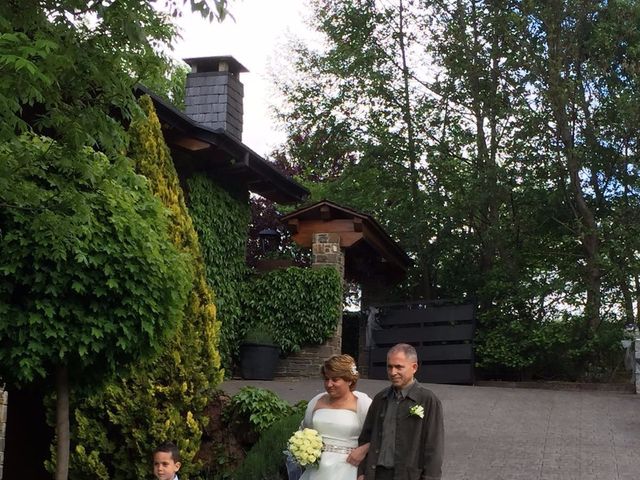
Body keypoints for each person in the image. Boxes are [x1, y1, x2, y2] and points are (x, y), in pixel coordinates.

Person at [358, 344, 444, 480]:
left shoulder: (428, 400)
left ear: (414, 367)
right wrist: (362, 472)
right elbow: (366, 437)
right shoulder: (380, 398)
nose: (393, 372)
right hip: (377, 474)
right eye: (389, 366)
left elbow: (433, 447)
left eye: (399, 367)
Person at [299, 354, 373, 480]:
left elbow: (379, 434)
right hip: (316, 469)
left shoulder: (363, 404)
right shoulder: (316, 401)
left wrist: (364, 450)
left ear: (349, 380)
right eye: (326, 379)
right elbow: (304, 430)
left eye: (335, 379)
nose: (329, 384)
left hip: (348, 467)